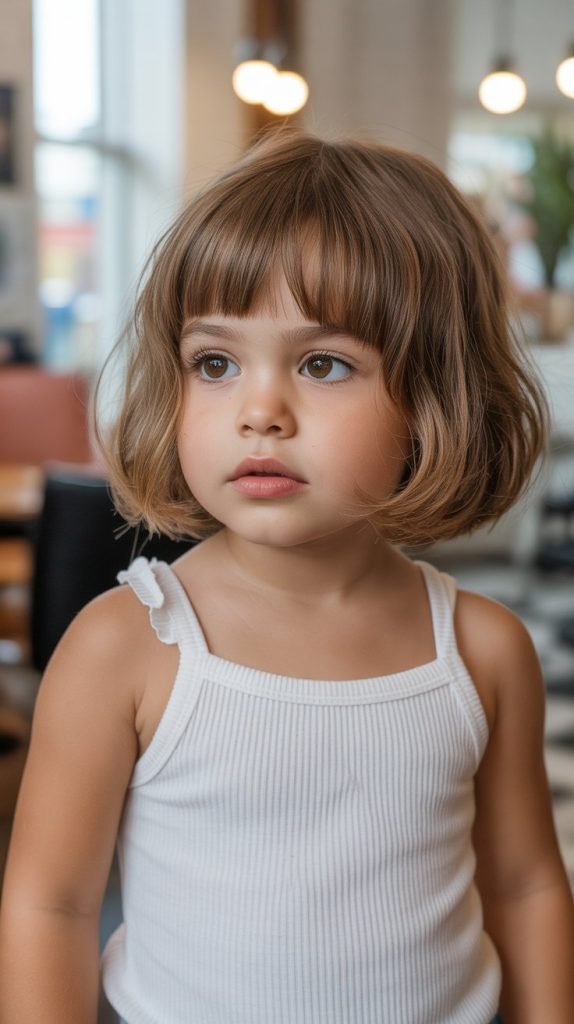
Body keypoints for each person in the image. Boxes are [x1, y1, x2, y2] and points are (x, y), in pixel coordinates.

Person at [1, 129, 573, 1024]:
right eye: (216, 363)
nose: (260, 411)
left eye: (323, 364)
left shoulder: (482, 651)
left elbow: (525, 885)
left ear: (436, 394)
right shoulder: (125, 648)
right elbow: (51, 905)